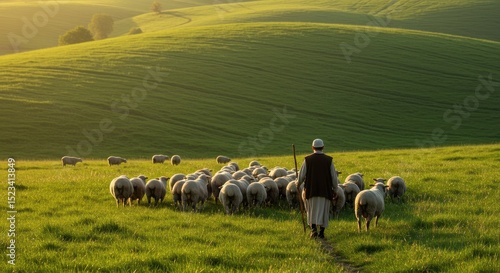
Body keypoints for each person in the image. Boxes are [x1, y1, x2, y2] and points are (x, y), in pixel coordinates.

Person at [297, 138, 338, 239]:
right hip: (325, 190)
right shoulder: (329, 160)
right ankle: (322, 233)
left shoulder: (307, 159)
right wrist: (335, 190)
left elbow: (301, 175)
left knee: (311, 210)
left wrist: (298, 184)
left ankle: (313, 229)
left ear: (312, 147)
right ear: (323, 147)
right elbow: (334, 177)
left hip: (311, 190)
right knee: (324, 210)